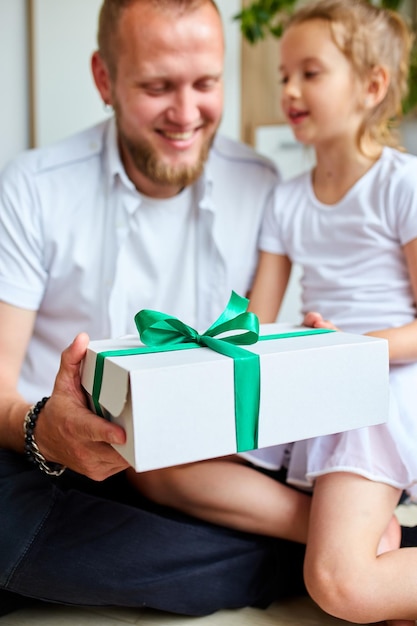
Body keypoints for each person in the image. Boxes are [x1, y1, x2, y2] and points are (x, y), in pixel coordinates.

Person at [0, 0, 310, 617]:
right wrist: (45, 430)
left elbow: (259, 349)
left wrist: (303, 348)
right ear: (104, 79)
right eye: (157, 87)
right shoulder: (33, 187)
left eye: (206, 84)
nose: (186, 113)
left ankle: (312, 550)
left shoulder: (265, 184)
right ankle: (307, 558)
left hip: (206, 472)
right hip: (50, 469)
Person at [129, 1, 417, 624]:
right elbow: (252, 327)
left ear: (372, 86)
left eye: (310, 73)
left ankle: (359, 550)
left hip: (382, 387)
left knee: (344, 588)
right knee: (152, 460)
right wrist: (197, 356)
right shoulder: (287, 200)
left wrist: (348, 344)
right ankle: (343, 527)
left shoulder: (402, 185)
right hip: (323, 377)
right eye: (284, 75)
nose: (289, 90)